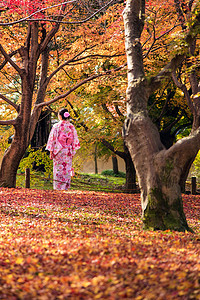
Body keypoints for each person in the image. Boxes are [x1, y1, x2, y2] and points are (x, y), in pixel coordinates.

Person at [46, 108, 80, 190]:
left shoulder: (56, 126)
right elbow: (74, 140)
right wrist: (72, 150)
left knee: (58, 169)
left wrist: (51, 152)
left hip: (59, 150)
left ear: (60, 116)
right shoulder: (71, 127)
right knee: (66, 169)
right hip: (68, 151)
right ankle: (65, 187)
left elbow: (52, 139)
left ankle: (58, 187)